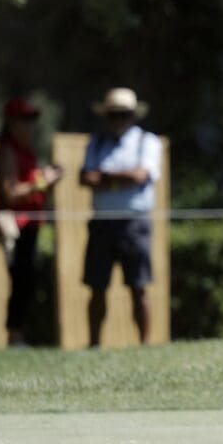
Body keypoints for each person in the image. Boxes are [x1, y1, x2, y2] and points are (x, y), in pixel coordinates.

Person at [79, 88, 162, 348]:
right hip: (102, 222)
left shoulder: (147, 142)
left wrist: (105, 178)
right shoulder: (96, 142)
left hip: (133, 222)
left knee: (138, 287)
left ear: (133, 115)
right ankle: (94, 344)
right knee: (96, 287)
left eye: (123, 114)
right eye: (113, 114)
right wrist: (120, 179)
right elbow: (85, 178)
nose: (118, 119)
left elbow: (140, 176)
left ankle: (145, 343)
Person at [0, 97, 63, 345]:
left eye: (33, 120)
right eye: (25, 120)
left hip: (31, 226)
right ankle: (15, 335)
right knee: (21, 281)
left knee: (27, 282)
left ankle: (19, 333)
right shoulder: (8, 151)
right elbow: (10, 193)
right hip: (16, 228)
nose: (31, 125)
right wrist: (45, 180)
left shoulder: (27, 152)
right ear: (12, 123)